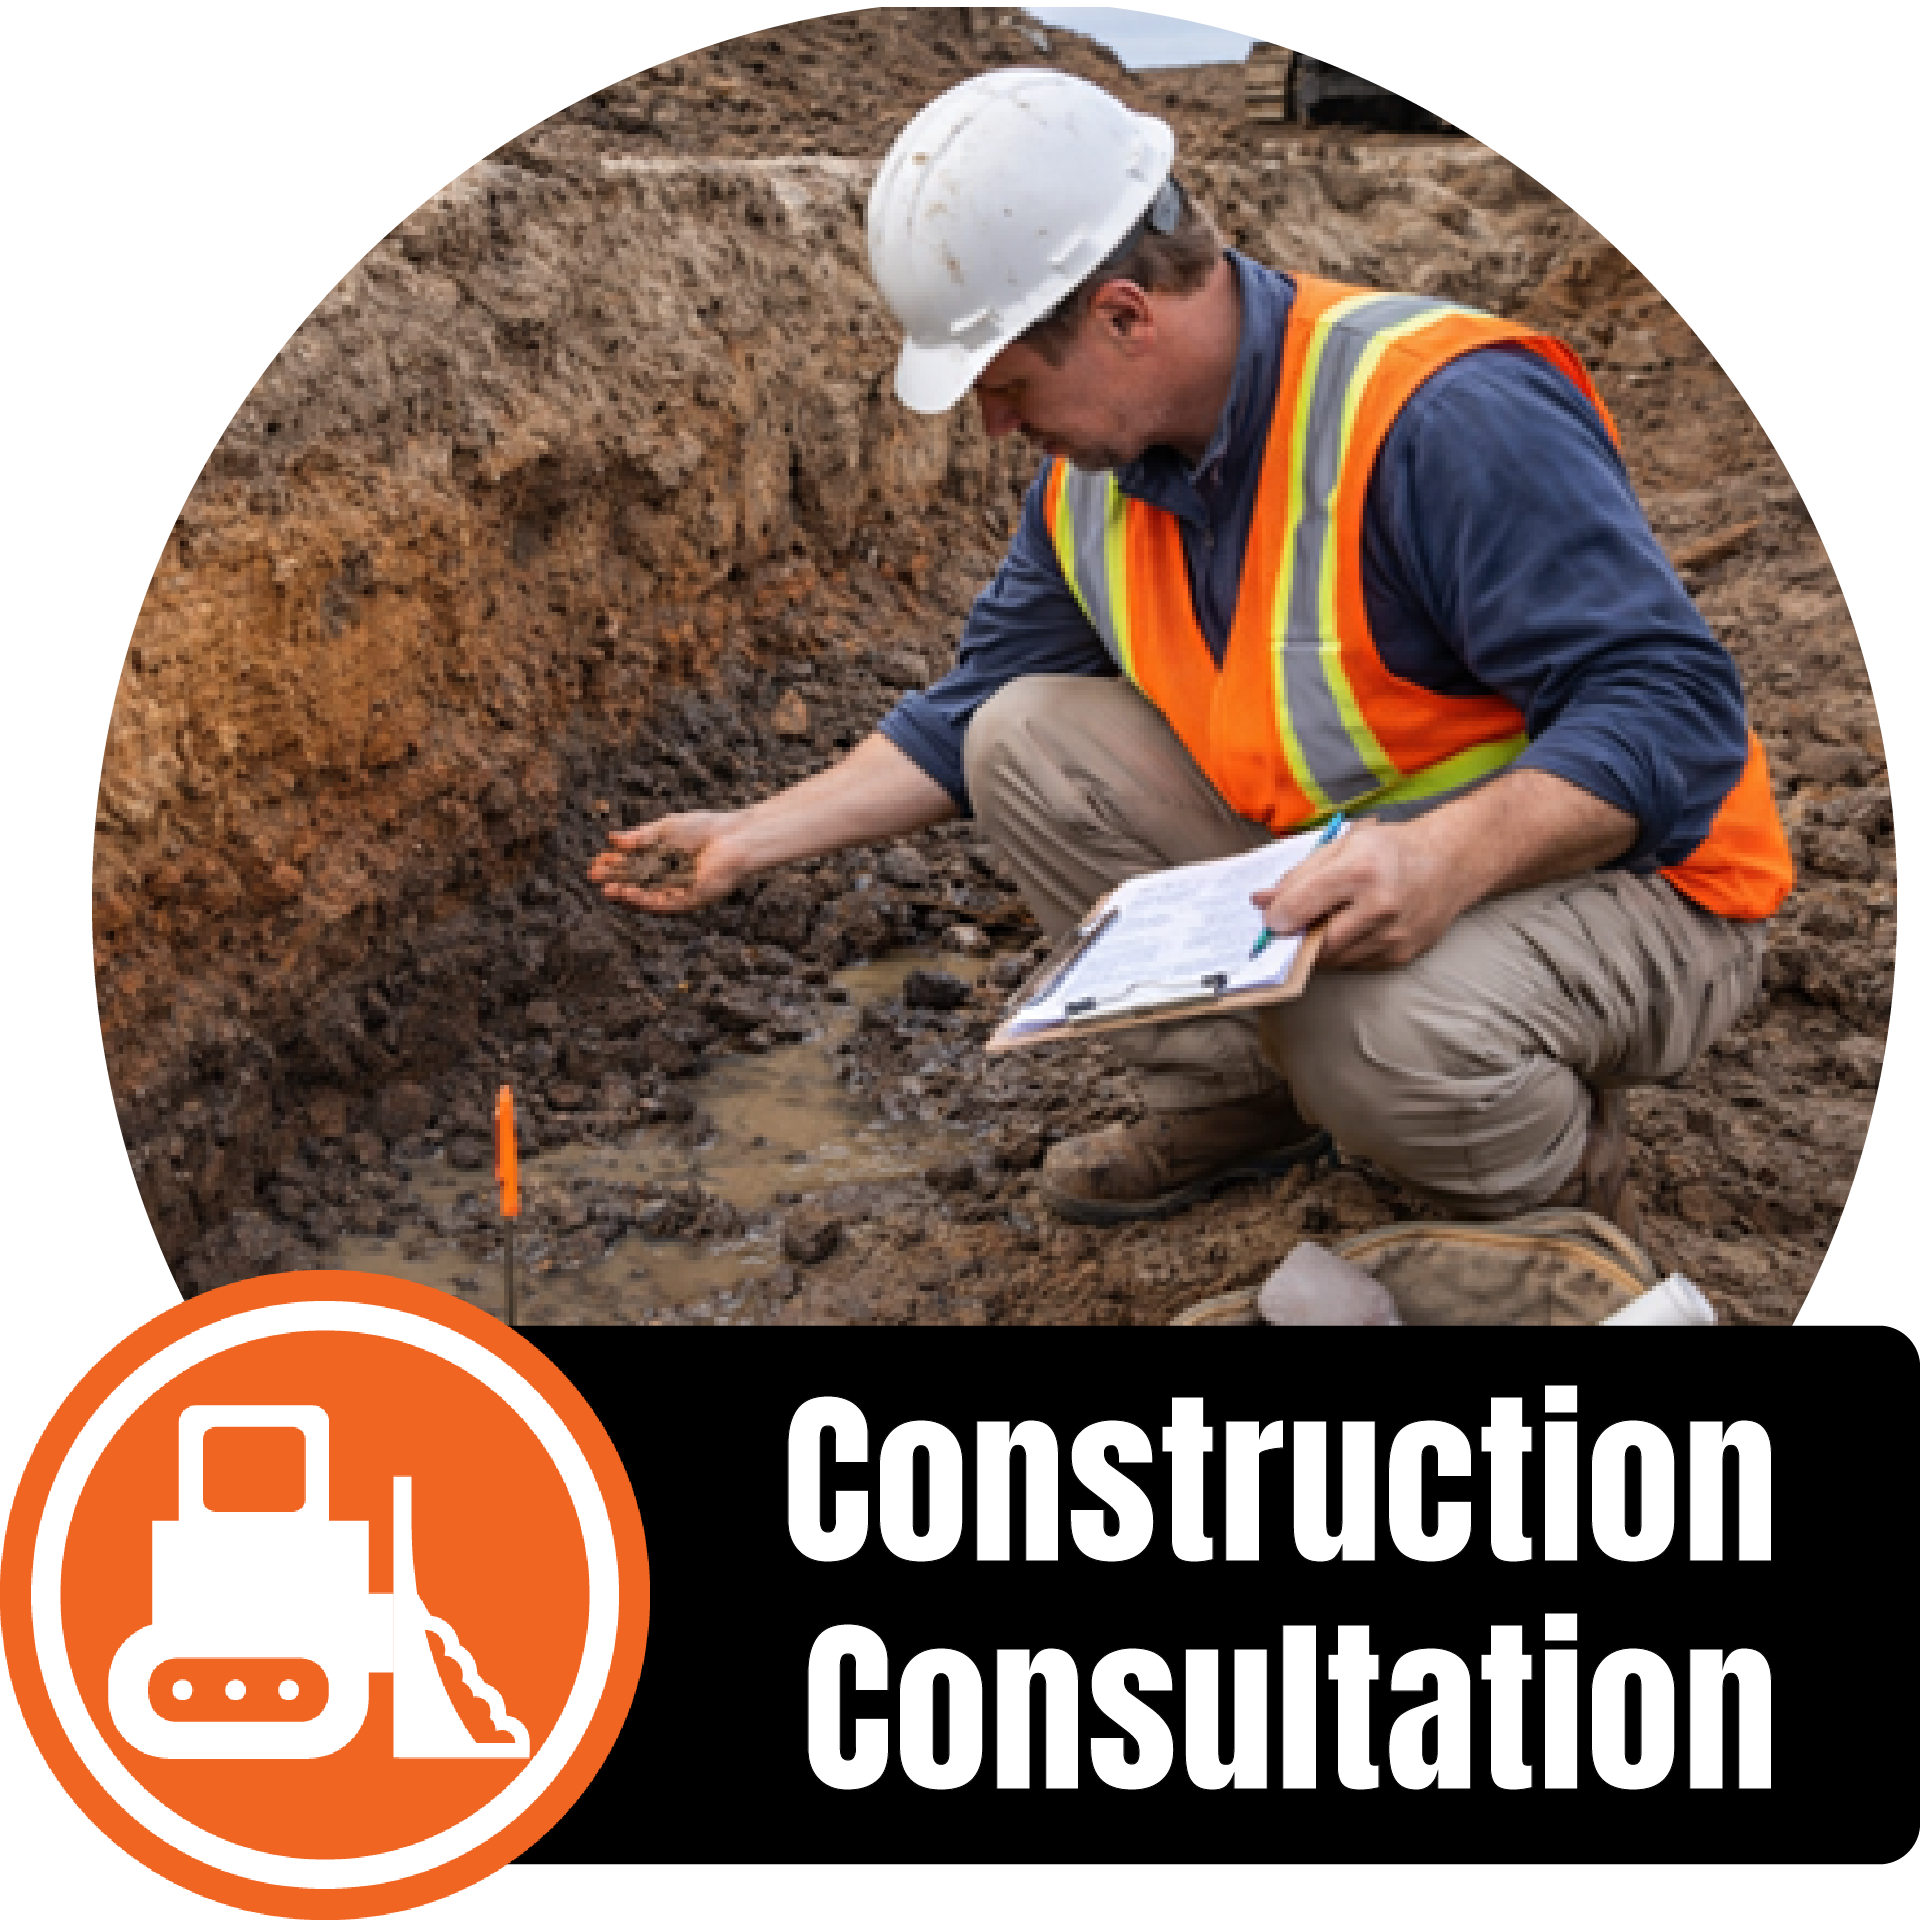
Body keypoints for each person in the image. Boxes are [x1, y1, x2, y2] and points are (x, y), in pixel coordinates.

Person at [590, 69, 1791, 1241]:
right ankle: (1242, 1102)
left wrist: (1442, 860)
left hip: (1641, 883)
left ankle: (1557, 1202)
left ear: (1124, 315)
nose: (996, 425)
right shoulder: (1094, 481)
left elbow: (1672, 712)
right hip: (1364, 853)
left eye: (1009, 384)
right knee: (1024, 734)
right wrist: (747, 836)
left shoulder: (1438, 414)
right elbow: (967, 719)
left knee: (1371, 1036)